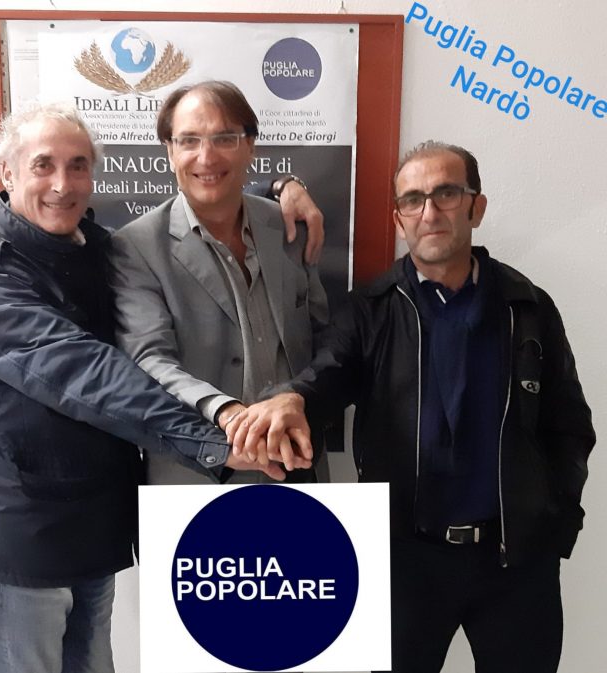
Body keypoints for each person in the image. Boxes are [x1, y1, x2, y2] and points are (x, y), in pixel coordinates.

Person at [0, 102, 298, 673]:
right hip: (26, 532)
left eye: (78, 166)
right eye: (43, 165)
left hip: (95, 522)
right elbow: (89, 376)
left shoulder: (96, 248)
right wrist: (215, 441)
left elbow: (216, 195)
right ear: (8, 173)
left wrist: (283, 188)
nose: (62, 184)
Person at [228, 141, 595, 673]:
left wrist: (556, 524)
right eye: (413, 199)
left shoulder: (529, 306)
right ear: (398, 218)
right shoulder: (369, 309)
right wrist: (293, 397)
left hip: (515, 562)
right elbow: (328, 372)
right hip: (405, 560)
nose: (430, 212)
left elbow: (570, 426)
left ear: (476, 207)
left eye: (446, 193)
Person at [109, 80, 330, 484]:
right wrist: (226, 412)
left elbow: (323, 335)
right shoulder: (135, 247)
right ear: (170, 151)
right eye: (189, 140)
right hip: (199, 475)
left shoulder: (289, 228)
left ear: (250, 146)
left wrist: (298, 396)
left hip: (296, 466)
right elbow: (149, 360)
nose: (206, 156)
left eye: (224, 138)